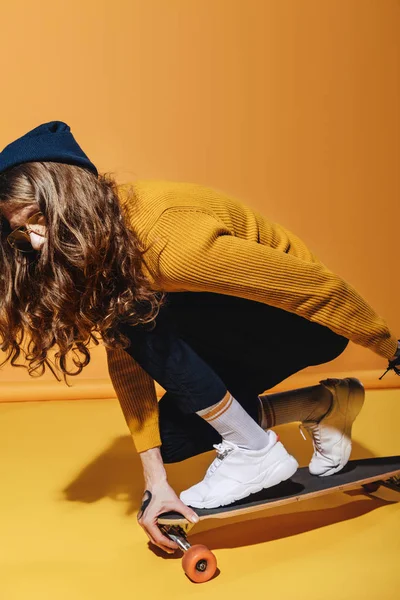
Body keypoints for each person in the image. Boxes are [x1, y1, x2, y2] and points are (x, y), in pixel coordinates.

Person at [0, 121, 399, 556]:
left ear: (68, 195)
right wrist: (156, 482)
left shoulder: (167, 241)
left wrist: (392, 350)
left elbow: (312, 287)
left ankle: (255, 451)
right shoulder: (102, 246)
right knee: (167, 440)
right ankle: (323, 406)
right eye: (23, 232)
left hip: (305, 321)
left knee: (135, 315)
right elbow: (127, 362)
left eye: (39, 219)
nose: (37, 243)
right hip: (237, 332)